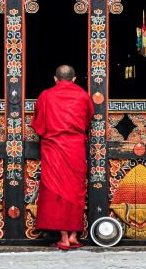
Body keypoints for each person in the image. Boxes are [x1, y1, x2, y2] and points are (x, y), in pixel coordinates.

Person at [31, 65, 94, 250]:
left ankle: (63, 237)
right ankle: (74, 235)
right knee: (75, 191)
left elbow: (37, 123)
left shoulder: (46, 95)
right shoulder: (83, 95)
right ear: (74, 79)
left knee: (57, 191)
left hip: (54, 148)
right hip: (75, 148)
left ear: (55, 78)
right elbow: (87, 118)